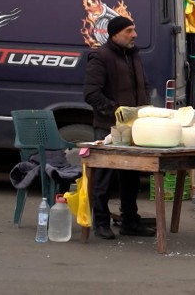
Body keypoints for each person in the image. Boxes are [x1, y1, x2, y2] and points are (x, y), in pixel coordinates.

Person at [83, 16, 156, 240]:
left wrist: (145, 109)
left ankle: (130, 222)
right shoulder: (100, 56)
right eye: (129, 31)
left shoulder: (133, 55)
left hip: (133, 127)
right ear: (115, 34)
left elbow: (143, 84)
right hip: (109, 126)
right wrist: (115, 111)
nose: (134, 35)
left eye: (134, 30)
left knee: (131, 176)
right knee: (104, 176)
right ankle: (101, 222)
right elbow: (91, 94)